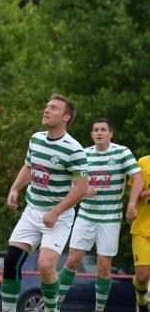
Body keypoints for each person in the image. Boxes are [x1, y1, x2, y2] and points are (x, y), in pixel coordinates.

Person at [1, 94, 89, 312]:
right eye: (47, 106)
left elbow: (81, 188)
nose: (47, 110)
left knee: (46, 265)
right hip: (32, 211)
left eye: (53, 108)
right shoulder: (36, 138)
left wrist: (56, 211)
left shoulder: (74, 149)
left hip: (58, 217)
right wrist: (14, 188)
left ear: (66, 117)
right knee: (11, 261)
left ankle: (52, 309)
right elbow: (29, 167)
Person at [57, 118, 143, 311]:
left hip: (110, 217)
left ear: (110, 134)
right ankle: (55, 304)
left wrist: (131, 204)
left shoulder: (122, 152)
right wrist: (83, 187)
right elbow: (72, 180)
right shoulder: (84, 154)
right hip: (86, 215)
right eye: (96, 130)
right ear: (92, 134)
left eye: (103, 129)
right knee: (72, 260)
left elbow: (137, 178)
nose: (99, 133)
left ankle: (99, 309)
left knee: (104, 265)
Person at [129, 155, 150, 312]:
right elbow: (136, 195)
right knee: (142, 277)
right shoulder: (143, 163)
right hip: (142, 228)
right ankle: (142, 300)